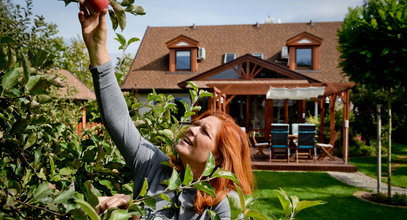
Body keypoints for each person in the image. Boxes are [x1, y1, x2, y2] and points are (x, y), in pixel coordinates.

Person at [78, 1, 253, 219]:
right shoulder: (153, 165)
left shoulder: (218, 205)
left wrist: (135, 213)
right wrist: (98, 48)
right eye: (196, 124)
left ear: (217, 158)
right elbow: (119, 120)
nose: (192, 129)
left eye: (205, 132)